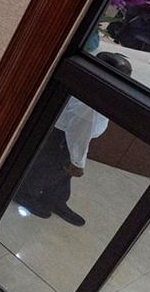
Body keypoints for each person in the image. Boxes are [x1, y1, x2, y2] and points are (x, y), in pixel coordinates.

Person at [13, 52, 132, 226]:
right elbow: (78, 134)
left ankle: (55, 199)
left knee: (62, 174)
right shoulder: (91, 102)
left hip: (67, 135)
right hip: (63, 139)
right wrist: (78, 163)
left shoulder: (93, 87)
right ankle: (25, 195)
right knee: (50, 169)